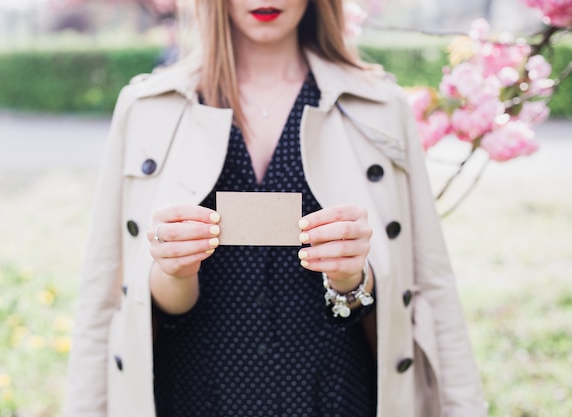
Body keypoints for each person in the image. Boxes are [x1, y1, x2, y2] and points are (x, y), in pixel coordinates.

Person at [64, 1, 488, 416]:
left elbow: (431, 282)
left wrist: (350, 278)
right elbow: (104, 293)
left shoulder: (379, 106)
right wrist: (174, 270)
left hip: (338, 394)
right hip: (194, 393)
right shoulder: (147, 107)